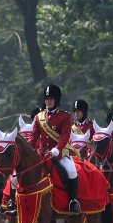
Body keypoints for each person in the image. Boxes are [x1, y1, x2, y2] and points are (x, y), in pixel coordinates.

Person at [29, 84, 81, 213]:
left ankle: (73, 201)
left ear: (56, 100)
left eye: (51, 98)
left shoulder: (65, 116)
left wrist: (58, 148)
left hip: (60, 152)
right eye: (46, 98)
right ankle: (14, 201)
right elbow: (33, 138)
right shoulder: (39, 117)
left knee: (72, 171)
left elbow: (65, 136)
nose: (48, 101)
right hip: (42, 153)